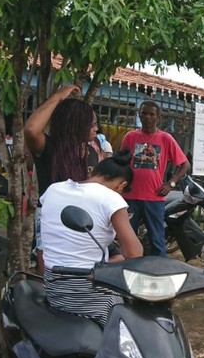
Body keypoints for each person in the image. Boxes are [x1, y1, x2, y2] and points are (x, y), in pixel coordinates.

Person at [41, 150, 143, 324]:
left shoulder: (53, 189)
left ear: (92, 173)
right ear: (121, 185)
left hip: (52, 283)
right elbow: (135, 254)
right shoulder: (111, 199)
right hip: (84, 290)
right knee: (131, 326)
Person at [24, 84, 101, 271]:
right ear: (76, 125)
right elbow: (31, 129)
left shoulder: (91, 151)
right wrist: (58, 96)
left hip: (81, 217)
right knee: (49, 269)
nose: (96, 129)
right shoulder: (48, 147)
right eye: (91, 125)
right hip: (51, 217)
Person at [119, 101, 190, 256]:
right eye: (144, 113)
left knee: (157, 239)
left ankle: (159, 271)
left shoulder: (165, 138)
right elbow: (121, 162)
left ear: (158, 117)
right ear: (139, 114)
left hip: (154, 197)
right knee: (127, 238)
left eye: (151, 114)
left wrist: (170, 183)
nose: (147, 117)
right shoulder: (130, 137)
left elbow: (185, 165)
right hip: (130, 196)